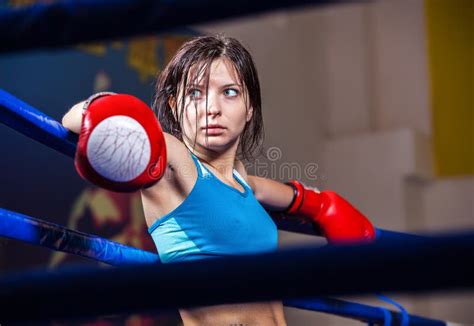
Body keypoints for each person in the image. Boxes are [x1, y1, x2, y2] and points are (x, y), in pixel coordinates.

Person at [62, 35, 375, 326]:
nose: (212, 109)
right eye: (195, 94)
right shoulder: (175, 160)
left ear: (250, 107)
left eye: (229, 92)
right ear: (174, 105)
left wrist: (322, 206)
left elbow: (283, 195)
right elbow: (74, 119)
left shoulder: (239, 178)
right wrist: (101, 112)